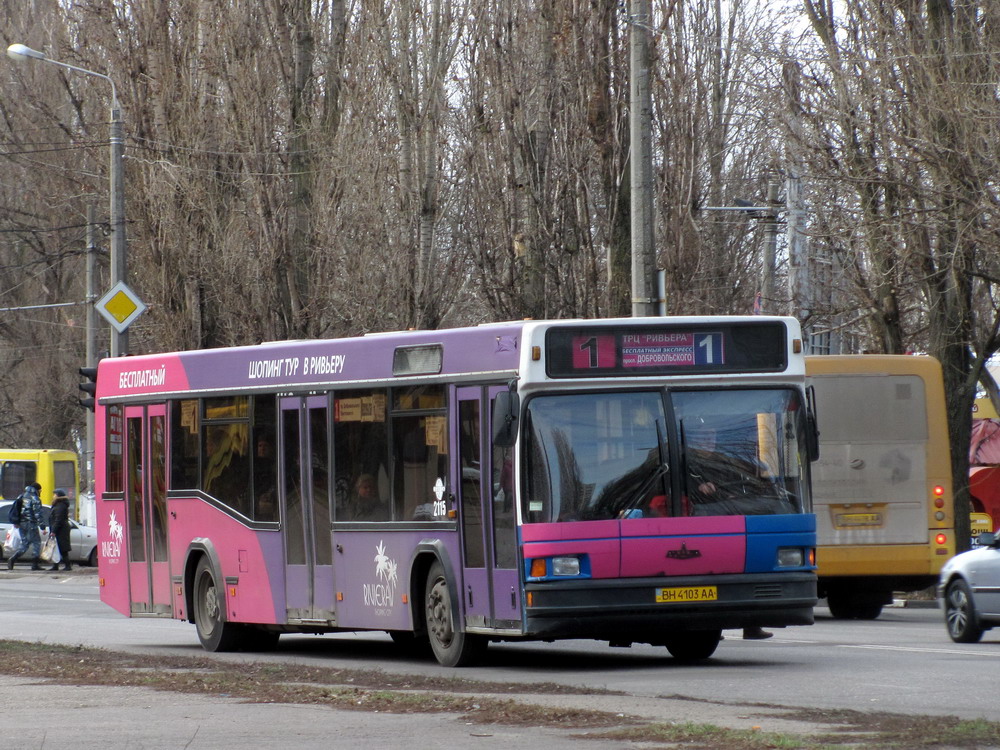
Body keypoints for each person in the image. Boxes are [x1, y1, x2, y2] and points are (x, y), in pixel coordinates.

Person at [7, 482, 45, 571]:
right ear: (37, 490)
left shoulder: (21, 496)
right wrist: (42, 526)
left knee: (25, 543)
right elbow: (37, 513)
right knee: (37, 543)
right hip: (31, 523)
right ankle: (35, 564)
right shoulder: (35, 498)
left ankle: (13, 558)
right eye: (40, 490)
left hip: (21, 524)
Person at [48, 488, 72, 572]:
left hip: (61, 530)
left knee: (62, 548)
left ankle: (67, 565)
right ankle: (56, 565)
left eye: (54, 494)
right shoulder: (58, 505)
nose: (53, 496)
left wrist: (53, 531)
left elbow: (58, 519)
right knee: (56, 548)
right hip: (59, 529)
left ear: (58, 496)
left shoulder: (60, 506)